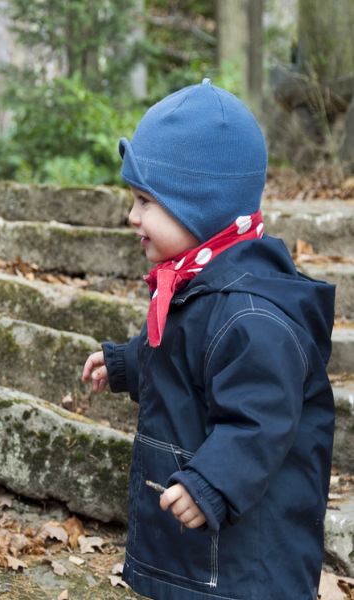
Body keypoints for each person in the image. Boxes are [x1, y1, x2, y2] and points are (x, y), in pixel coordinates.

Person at [81, 79, 335, 599]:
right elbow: (183, 353)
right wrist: (130, 362)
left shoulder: (252, 316)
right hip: (200, 562)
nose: (132, 216)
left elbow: (261, 420)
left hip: (245, 570)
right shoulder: (201, 284)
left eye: (145, 201)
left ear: (199, 204)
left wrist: (213, 483)